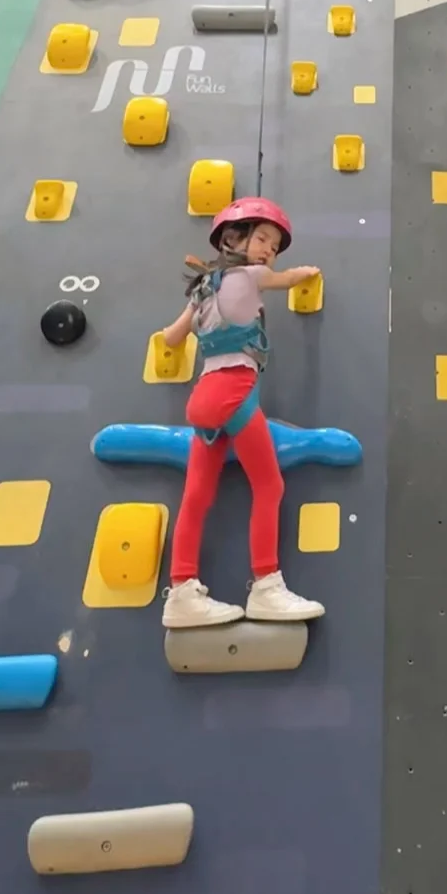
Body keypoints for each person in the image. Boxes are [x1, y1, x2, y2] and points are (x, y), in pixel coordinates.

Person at [158, 196, 326, 629]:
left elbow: (173, 338)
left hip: (203, 400)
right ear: (235, 239)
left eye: (274, 244)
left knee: (196, 497)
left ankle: (181, 592)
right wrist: (305, 273)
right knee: (268, 486)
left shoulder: (203, 287)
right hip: (234, 392)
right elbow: (288, 279)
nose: (269, 249)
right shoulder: (252, 274)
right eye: (263, 238)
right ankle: (267, 584)